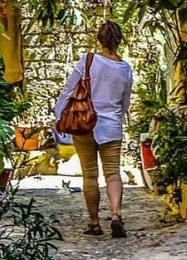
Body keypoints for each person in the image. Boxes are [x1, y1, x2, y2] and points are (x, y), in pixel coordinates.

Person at [55, 21, 133, 238]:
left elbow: (69, 90)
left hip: (84, 124)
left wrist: (59, 116)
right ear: (120, 41)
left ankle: (95, 223)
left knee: (90, 175)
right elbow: (125, 104)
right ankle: (116, 215)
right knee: (113, 173)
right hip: (112, 126)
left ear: (99, 39)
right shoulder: (125, 69)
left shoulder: (88, 61)